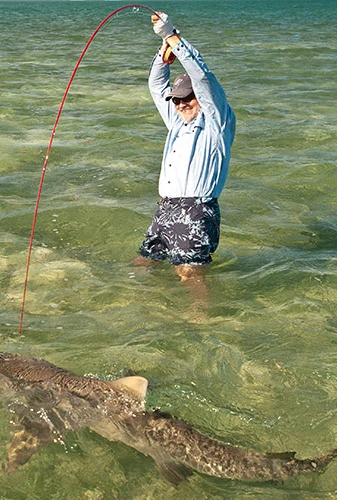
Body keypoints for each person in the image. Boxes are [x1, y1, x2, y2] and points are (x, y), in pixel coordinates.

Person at [134, 12, 236, 305]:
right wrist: (162, 54)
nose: (180, 104)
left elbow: (202, 76)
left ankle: (202, 320)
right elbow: (156, 86)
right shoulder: (178, 121)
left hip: (195, 209)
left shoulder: (217, 119)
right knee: (144, 263)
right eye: (176, 99)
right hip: (164, 209)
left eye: (186, 98)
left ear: (201, 99)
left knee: (190, 273)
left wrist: (173, 37)